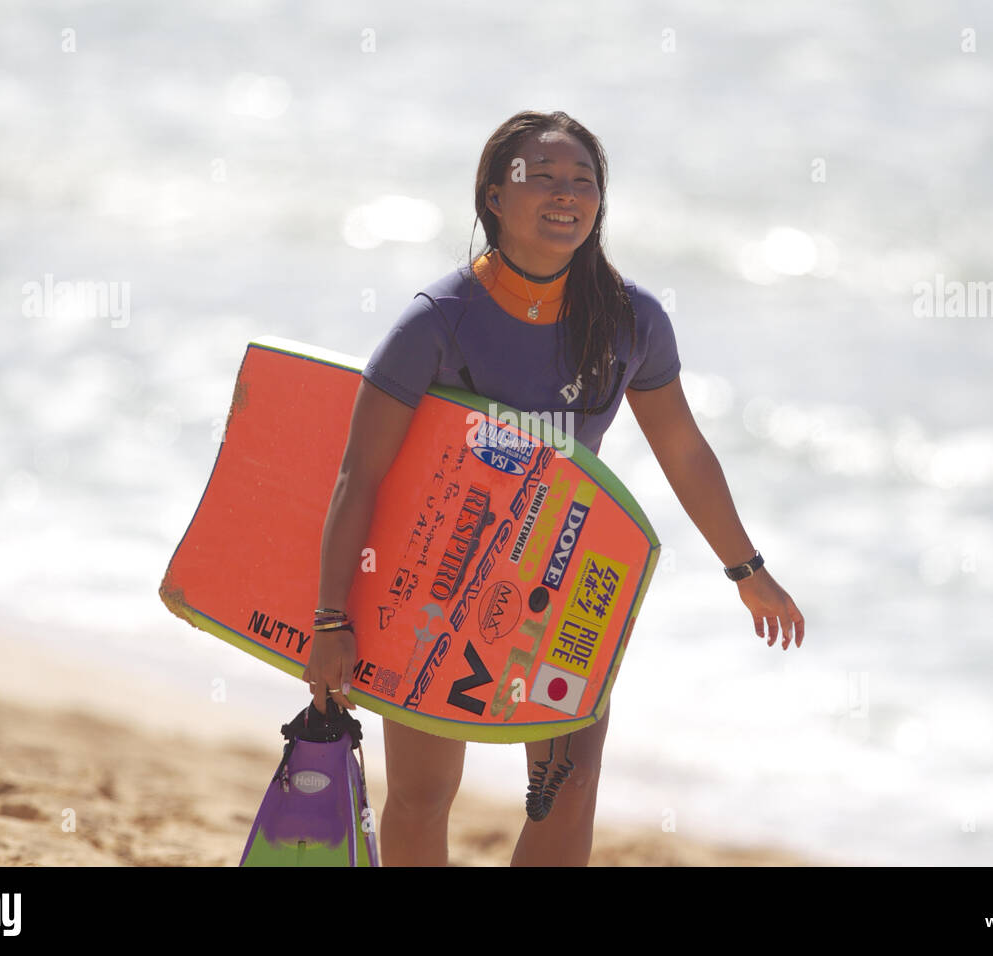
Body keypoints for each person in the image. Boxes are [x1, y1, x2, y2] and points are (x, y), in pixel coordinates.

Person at [308, 110, 805, 866]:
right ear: (494, 195)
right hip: (433, 581)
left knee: (567, 789)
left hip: (560, 579)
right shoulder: (437, 324)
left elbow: (681, 448)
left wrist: (747, 569)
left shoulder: (630, 320)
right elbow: (359, 475)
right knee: (422, 793)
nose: (565, 194)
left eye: (583, 181)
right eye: (541, 178)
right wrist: (331, 618)